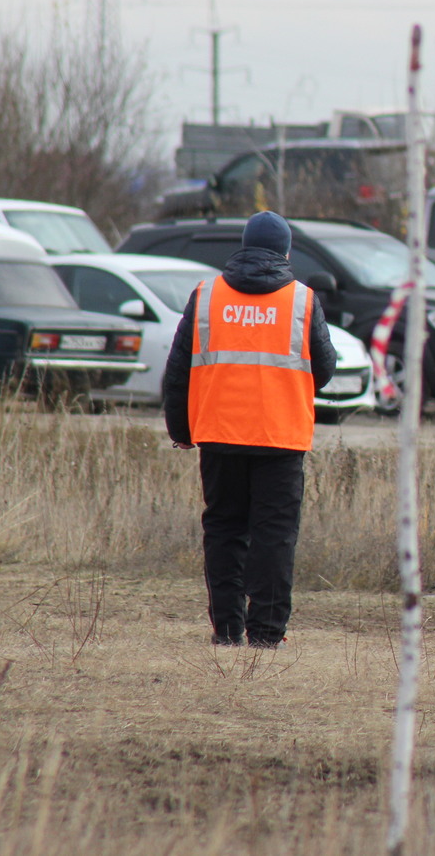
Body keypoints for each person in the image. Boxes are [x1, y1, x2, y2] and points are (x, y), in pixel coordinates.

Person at [164, 211, 337, 648]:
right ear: (286, 251)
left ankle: (226, 629)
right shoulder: (302, 299)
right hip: (280, 436)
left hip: (219, 434)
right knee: (274, 537)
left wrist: (181, 429)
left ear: (242, 246)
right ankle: (266, 634)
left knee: (223, 530)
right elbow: (326, 368)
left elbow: (178, 371)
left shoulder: (205, 295)